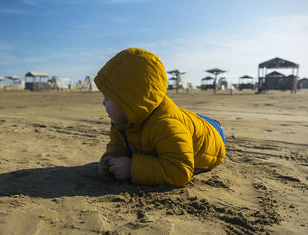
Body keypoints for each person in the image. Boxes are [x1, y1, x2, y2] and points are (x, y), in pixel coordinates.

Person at [95, 48, 225, 187]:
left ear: (129, 101)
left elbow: (179, 171)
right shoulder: (121, 122)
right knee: (183, 118)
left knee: (189, 122)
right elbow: (117, 145)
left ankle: (216, 124)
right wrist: (110, 158)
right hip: (185, 119)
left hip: (213, 137)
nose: (103, 103)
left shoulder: (166, 126)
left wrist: (131, 168)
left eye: (108, 98)